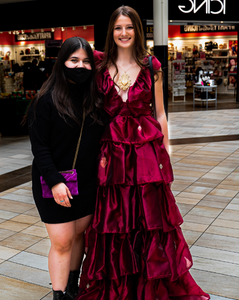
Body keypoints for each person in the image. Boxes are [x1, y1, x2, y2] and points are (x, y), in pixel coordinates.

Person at [77, 6, 210, 300]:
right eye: (118, 28)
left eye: (129, 27)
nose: (124, 33)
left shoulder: (152, 66)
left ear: (138, 31)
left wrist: (165, 154)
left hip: (146, 152)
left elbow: (160, 114)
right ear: (111, 33)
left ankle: (149, 283)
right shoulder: (99, 67)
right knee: (115, 218)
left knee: (149, 218)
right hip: (111, 153)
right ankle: (118, 283)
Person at [27, 37, 105, 300]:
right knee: (62, 242)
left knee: (79, 235)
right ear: (62, 62)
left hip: (86, 183)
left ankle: (73, 286)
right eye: (74, 60)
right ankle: (59, 294)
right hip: (53, 183)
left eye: (86, 61)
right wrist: (54, 181)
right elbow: (40, 149)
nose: (80, 66)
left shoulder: (95, 100)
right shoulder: (45, 100)